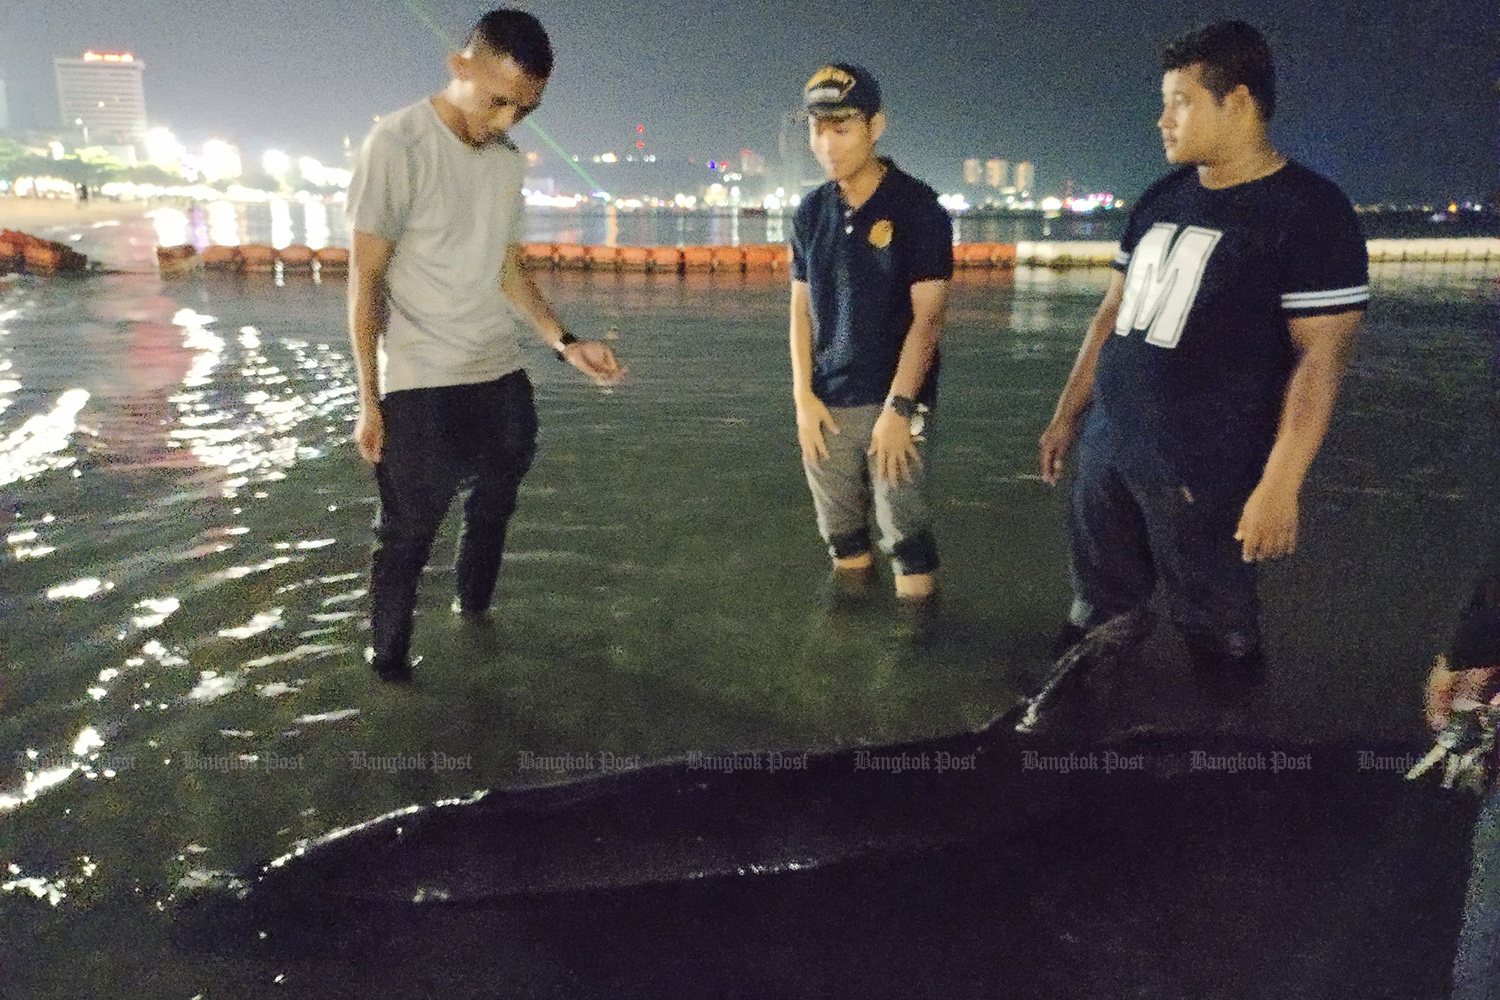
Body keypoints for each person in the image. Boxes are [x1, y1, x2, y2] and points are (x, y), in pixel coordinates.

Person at [1037, 21, 1368, 684]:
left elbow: (1320, 360)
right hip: (1111, 452)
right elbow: (1112, 313)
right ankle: (1079, 739)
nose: (1163, 120)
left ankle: (1231, 759)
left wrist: (1280, 484)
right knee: (1097, 609)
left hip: (1207, 474)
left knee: (1218, 633)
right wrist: (1068, 414)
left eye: (1181, 101)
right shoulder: (1164, 196)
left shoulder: (1310, 213)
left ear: (1238, 103)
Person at [346, 8, 625, 683]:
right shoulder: (397, 143)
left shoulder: (506, 161)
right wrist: (370, 398)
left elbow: (507, 269)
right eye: (496, 101)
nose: (504, 121)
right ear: (460, 67)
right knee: (407, 538)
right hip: (420, 381)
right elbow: (366, 279)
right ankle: (390, 672)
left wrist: (564, 342)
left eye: (523, 110)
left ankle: (475, 626)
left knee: (494, 509)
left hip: (500, 372)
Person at [788, 64, 953, 603]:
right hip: (827, 404)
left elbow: (928, 317)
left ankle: (915, 659)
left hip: (894, 402)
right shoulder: (811, 212)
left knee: (906, 540)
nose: (827, 144)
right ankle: (847, 654)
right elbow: (800, 310)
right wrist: (803, 397)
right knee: (842, 539)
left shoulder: (917, 207)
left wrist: (900, 408)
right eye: (817, 128)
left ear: (875, 126)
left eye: (843, 128)